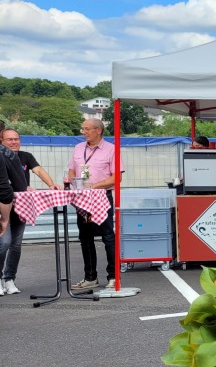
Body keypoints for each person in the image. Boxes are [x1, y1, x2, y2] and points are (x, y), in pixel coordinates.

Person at [0, 128, 59, 294]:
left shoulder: (25, 156)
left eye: (16, 139)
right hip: (3, 205)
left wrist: (51, 184)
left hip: (22, 207)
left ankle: (9, 279)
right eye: (9, 139)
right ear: (1, 141)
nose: (14, 142)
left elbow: (38, 170)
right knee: (4, 242)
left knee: (16, 244)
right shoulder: (2, 156)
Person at [67, 119, 123, 290]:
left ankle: (113, 277)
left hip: (101, 197)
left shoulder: (112, 149)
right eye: (82, 129)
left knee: (108, 237)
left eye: (87, 129)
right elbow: (71, 170)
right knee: (85, 238)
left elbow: (117, 177)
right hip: (82, 199)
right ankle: (90, 277)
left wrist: (95, 186)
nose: (83, 132)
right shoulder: (78, 148)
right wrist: (74, 182)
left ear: (98, 130)